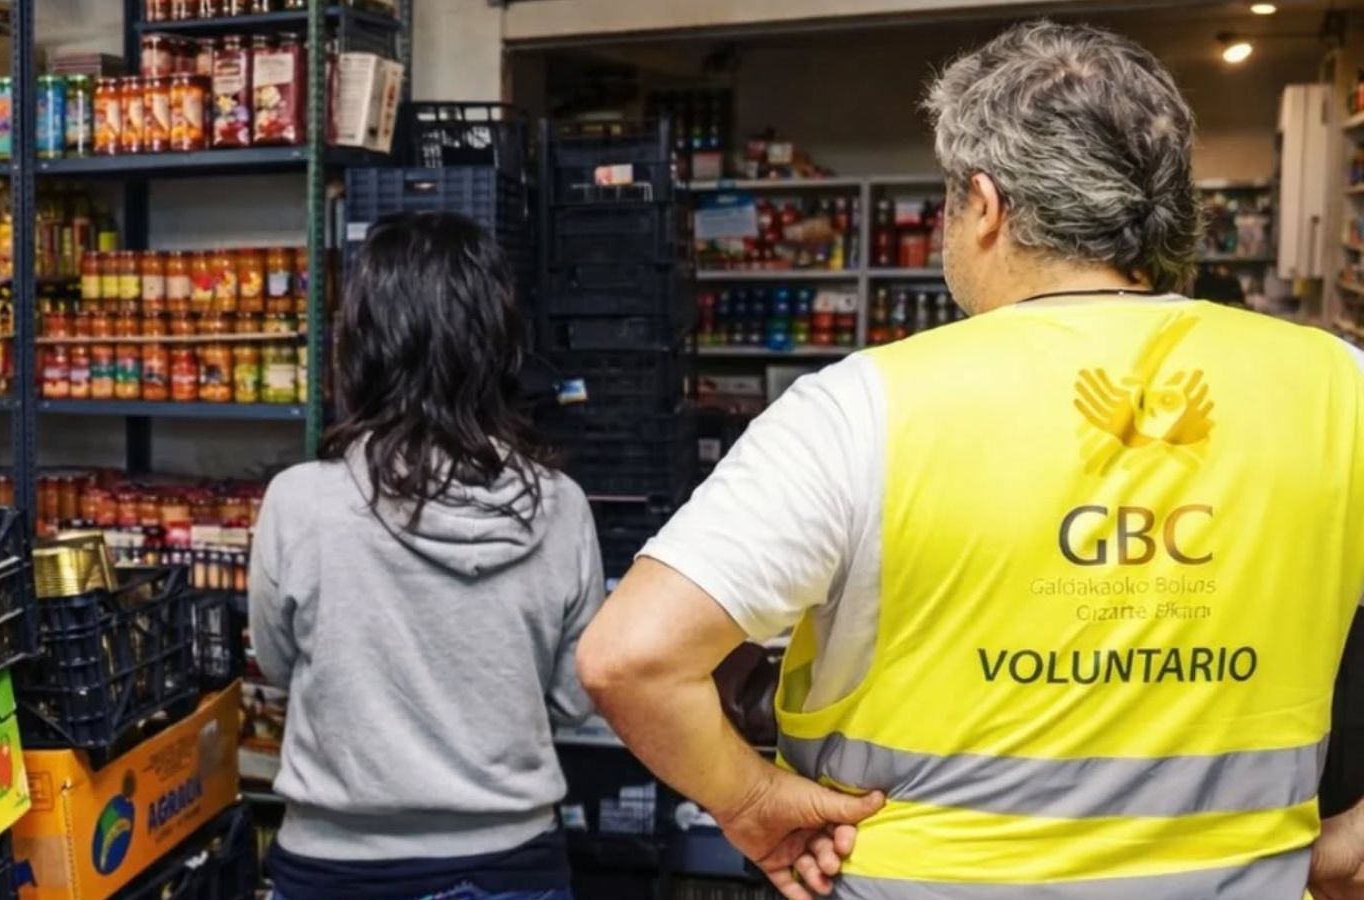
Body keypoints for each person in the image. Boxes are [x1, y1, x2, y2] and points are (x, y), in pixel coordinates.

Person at [577, 20, 1364, 900]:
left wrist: (753, 799)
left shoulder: (863, 405)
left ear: (984, 206)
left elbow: (631, 659)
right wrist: (1341, 843)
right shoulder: (1338, 387)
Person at [249, 211, 603, 900]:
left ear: (361, 344)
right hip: (510, 862)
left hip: (335, 866)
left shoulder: (299, 501)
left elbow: (279, 665)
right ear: (500, 346)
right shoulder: (562, 507)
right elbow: (572, 699)